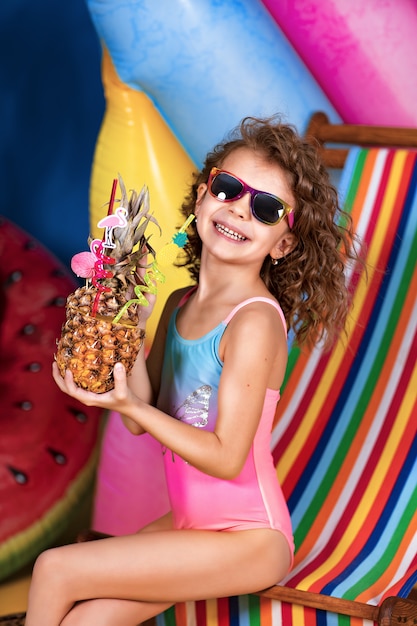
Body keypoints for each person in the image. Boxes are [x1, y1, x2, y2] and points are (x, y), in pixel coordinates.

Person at [26, 115, 361, 626]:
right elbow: (143, 419)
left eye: (267, 209)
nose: (238, 210)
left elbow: (227, 459)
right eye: (228, 188)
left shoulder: (254, 321)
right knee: (84, 619)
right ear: (202, 197)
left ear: (284, 244)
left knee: (55, 568)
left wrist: (130, 404)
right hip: (191, 524)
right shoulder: (180, 304)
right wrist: (132, 329)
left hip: (248, 538)